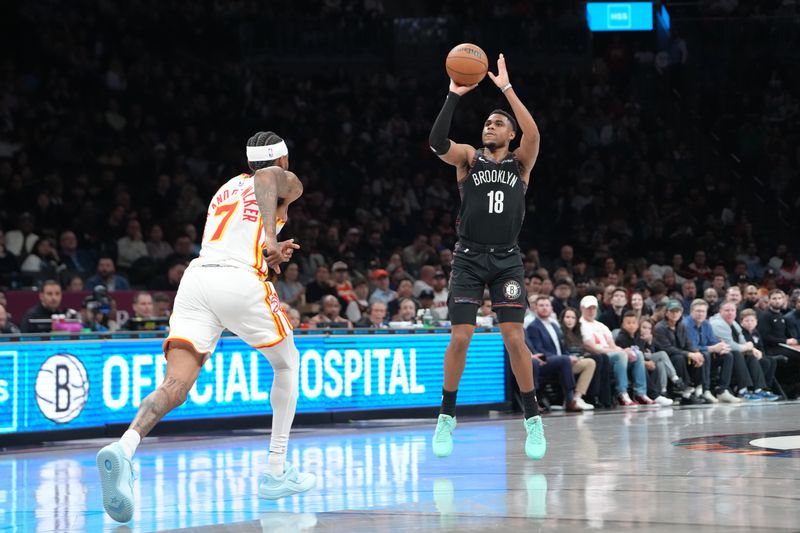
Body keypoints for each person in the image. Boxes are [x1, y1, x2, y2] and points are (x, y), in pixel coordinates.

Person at [96, 132, 315, 524]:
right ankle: (276, 470)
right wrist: (269, 239)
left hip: (197, 280)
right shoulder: (283, 178)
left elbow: (240, 228)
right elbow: (266, 181)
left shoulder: (225, 189)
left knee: (175, 385)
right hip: (236, 280)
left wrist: (270, 253)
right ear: (282, 159)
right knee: (287, 364)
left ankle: (125, 447)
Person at [428, 54, 545, 459]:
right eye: (487, 123)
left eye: (497, 123)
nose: (489, 126)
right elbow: (436, 143)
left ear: (510, 134)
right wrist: (452, 95)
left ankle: (532, 419)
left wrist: (507, 90)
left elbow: (534, 134)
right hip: (469, 258)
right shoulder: (467, 158)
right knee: (461, 336)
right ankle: (446, 416)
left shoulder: (521, 162)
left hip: (507, 260)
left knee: (514, 336)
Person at [525, 297, 595, 411]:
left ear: (551, 308)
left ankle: (580, 397)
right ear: (535, 308)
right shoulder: (533, 326)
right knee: (564, 360)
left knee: (590, 362)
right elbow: (539, 350)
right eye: (541, 305)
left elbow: (562, 348)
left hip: (562, 361)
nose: (544, 308)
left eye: (547, 305)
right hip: (546, 361)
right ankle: (569, 400)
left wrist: (570, 356)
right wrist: (565, 357)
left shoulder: (554, 325)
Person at [579, 295, 645, 407]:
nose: (591, 311)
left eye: (593, 308)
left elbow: (613, 345)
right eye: (588, 308)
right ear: (582, 308)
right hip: (596, 357)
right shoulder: (581, 325)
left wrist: (625, 350)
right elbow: (591, 347)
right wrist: (619, 351)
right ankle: (622, 393)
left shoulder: (601, 325)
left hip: (610, 355)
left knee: (637, 354)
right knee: (620, 355)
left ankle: (641, 393)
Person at [560, 307, 612, 408]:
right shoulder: (560, 333)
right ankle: (578, 398)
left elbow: (580, 351)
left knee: (601, 357)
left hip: (578, 360)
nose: (570, 320)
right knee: (591, 362)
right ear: (562, 319)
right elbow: (562, 350)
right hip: (567, 362)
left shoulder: (577, 334)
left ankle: (601, 397)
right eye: (567, 317)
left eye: (573, 318)